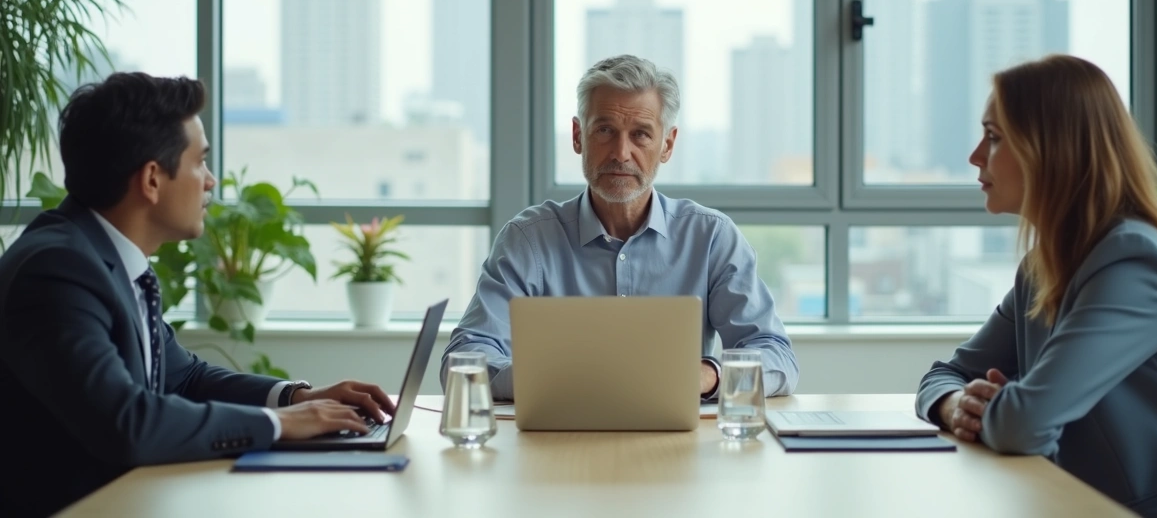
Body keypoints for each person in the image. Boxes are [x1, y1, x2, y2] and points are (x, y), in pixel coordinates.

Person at [0, 73, 395, 517]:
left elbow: (183, 378)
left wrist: (294, 398)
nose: (210, 181)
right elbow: (126, 423)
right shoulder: (57, 271)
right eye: (200, 162)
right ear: (152, 179)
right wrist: (279, 424)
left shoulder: (104, 258)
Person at [915, 55, 1157, 517]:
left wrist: (1004, 409)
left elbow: (1024, 425)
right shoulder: (1043, 266)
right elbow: (943, 376)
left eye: (994, 138)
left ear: (1051, 149)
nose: (975, 156)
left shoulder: (1134, 261)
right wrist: (955, 405)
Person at [443, 54, 799, 401]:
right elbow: (464, 362)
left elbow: (776, 357)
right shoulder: (528, 241)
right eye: (605, 130)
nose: (621, 153)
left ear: (667, 145)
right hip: (555, 448)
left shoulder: (711, 238)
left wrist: (707, 376)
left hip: (679, 450)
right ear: (578, 136)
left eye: (641, 134)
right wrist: (558, 380)